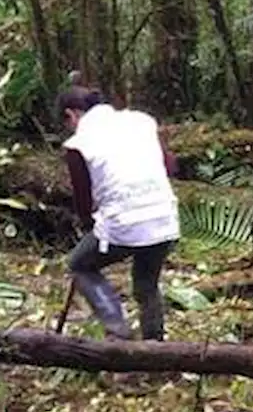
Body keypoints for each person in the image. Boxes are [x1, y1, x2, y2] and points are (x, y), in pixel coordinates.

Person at [58, 87, 179, 341]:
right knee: (146, 284)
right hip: (164, 217)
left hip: (123, 222)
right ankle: (156, 349)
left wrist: (88, 223)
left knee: (79, 265)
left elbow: (83, 198)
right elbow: (169, 166)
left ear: (71, 115)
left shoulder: (78, 144)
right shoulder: (140, 122)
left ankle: (116, 328)